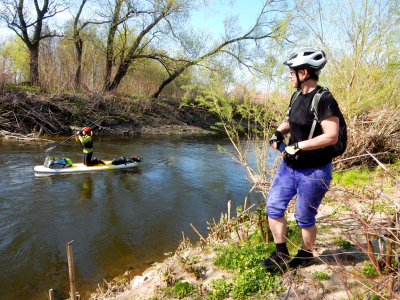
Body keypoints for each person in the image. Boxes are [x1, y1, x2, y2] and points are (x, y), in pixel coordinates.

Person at [261, 47, 341, 269]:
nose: (289, 75)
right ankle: (281, 252)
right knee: (274, 207)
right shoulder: (297, 95)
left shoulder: (324, 99)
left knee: (304, 217)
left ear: (304, 73)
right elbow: (291, 121)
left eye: (292, 71)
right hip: (289, 167)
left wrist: (298, 145)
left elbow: (331, 136)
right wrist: (279, 133)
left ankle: (306, 255)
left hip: (314, 171)